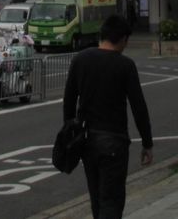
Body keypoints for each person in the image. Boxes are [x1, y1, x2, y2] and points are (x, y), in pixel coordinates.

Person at [62, 14, 153, 219]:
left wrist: (70, 136)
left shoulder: (80, 60)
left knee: (96, 200)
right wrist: (147, 143)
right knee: (111, 201)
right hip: (114, 141)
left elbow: (68, 102)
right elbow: (138, 107)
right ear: (122, 39)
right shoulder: (125, 65)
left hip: (87, 140)